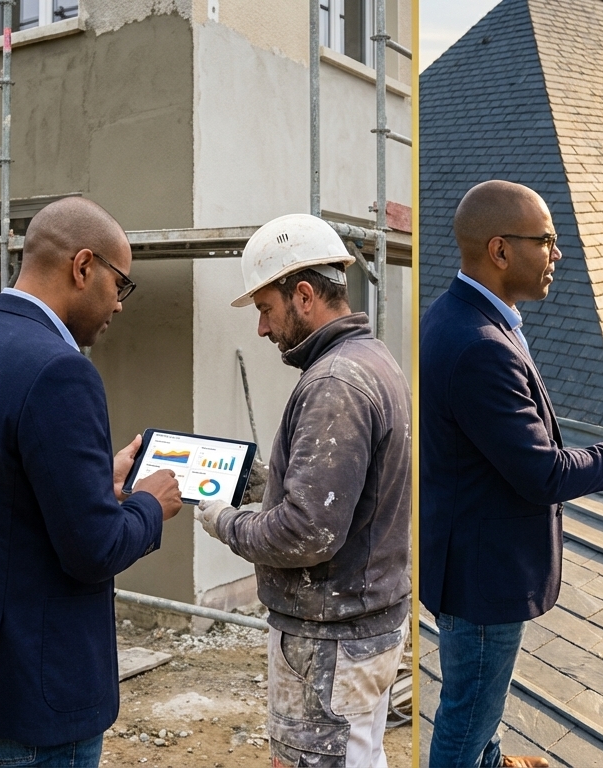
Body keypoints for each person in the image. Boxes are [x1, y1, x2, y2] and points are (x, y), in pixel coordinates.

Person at [420, 179, 603, 768]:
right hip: (484, 574)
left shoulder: (455, 314)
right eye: (546, 241)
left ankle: (492, 760)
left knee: (481, 693)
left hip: (466, 551)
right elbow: (543, 473)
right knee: (466, 715)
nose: (558, 254)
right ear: (500, 251)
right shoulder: (481, 345)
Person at [0, 197, 183, 767]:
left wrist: (93, 483)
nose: (119, 304)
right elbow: (93, 549)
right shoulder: (61, 370)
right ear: (83, 267)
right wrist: (149, 505)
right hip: (37, 701)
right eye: (120, 284)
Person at [193, 213, 411, 768]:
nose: (262, 328)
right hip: (363, 627)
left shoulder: (334, 383)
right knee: (362, 756)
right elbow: (349, 495)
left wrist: (224, 521)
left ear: (305, 295)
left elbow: (306, 532)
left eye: (266, 309)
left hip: (331, 640)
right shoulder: (371, 359)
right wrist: (272, 482)